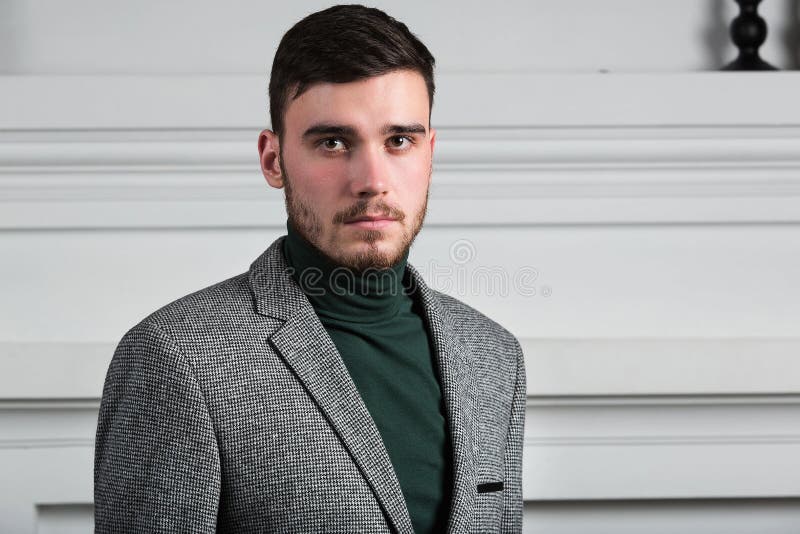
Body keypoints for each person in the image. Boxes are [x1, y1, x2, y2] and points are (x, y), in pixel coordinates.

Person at [94, 4, 525, 533]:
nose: (371, 179)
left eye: (399, 141)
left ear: (429, 153)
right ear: (273, 160)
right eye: (333, 142)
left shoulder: (494, 356)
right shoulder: (174, 358)